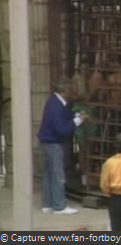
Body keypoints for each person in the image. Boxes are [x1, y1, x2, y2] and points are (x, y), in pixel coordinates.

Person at [37, 78, 89, 215]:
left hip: (46, 141)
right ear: (66, 91)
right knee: (58, 175)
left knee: (49, 174)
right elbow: (62, 129)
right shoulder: (57, 106)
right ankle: (59, 206)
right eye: (72, 89)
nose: (74, 92)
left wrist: (75, 115)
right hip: (53, 143)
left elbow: (65, 115)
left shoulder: (54, 101)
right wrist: (79, 120)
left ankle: (48, 204)